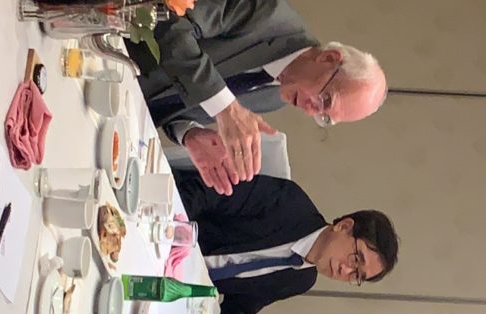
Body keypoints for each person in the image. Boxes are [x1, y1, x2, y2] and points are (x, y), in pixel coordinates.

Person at [130, 0, 388, 195]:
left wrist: (190, 133)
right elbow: (169, 21)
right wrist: (225, 107)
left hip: (124, 110)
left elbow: (177, 103)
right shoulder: (266, 15)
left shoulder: (274, 98)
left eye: (324, 117)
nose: (311, 110)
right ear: (329, 58)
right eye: (326, 101)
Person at [175, 164, 399, 314]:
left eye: (356, 275)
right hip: (173, 230)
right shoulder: (289, 203)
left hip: (180, 283)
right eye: (356, 258)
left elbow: (241, 306)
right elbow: (209, 192)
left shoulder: (302, 279)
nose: (346, 271)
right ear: (344, 226)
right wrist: (175, 230)